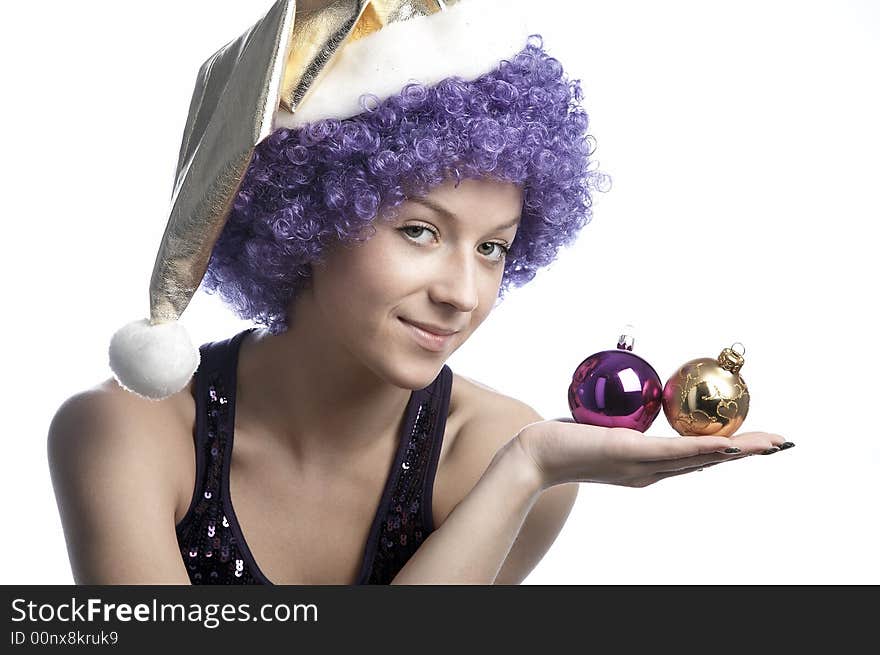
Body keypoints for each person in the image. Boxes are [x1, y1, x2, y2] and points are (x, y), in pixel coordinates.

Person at [47, 0, 792, 585]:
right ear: (304, 217)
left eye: (493, 246)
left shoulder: (493, 456)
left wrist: (527, 470)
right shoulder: (127, 433)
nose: (463, 294)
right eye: (419, 232)